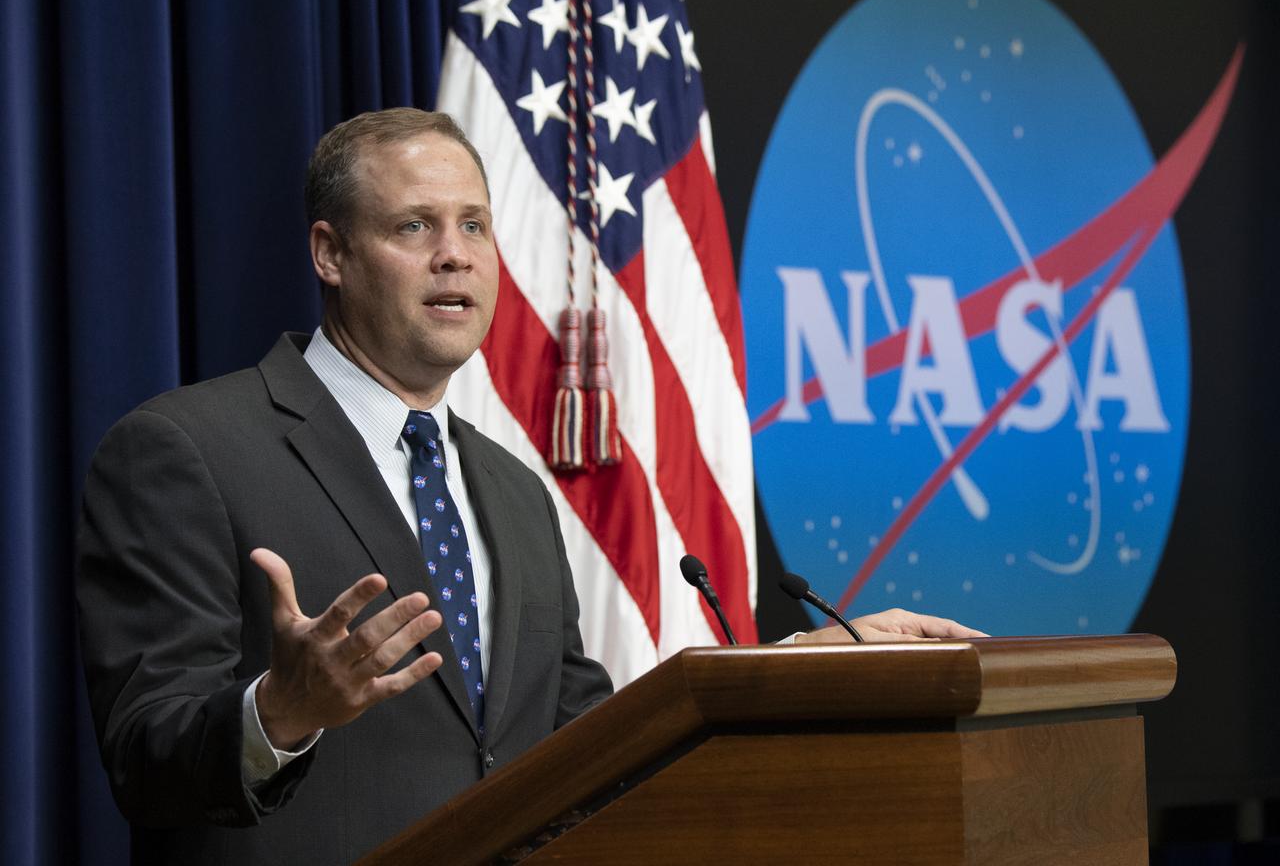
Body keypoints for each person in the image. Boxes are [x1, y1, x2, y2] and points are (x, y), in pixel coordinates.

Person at [76, 108, 981, 864]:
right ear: (330, 255)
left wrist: (770, 677)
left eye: (474, 225)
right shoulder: (184, 449)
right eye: (413, 226)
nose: (456, 255)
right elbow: (144, 761)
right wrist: (280, 712)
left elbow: (585, 740)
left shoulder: (511, 489)